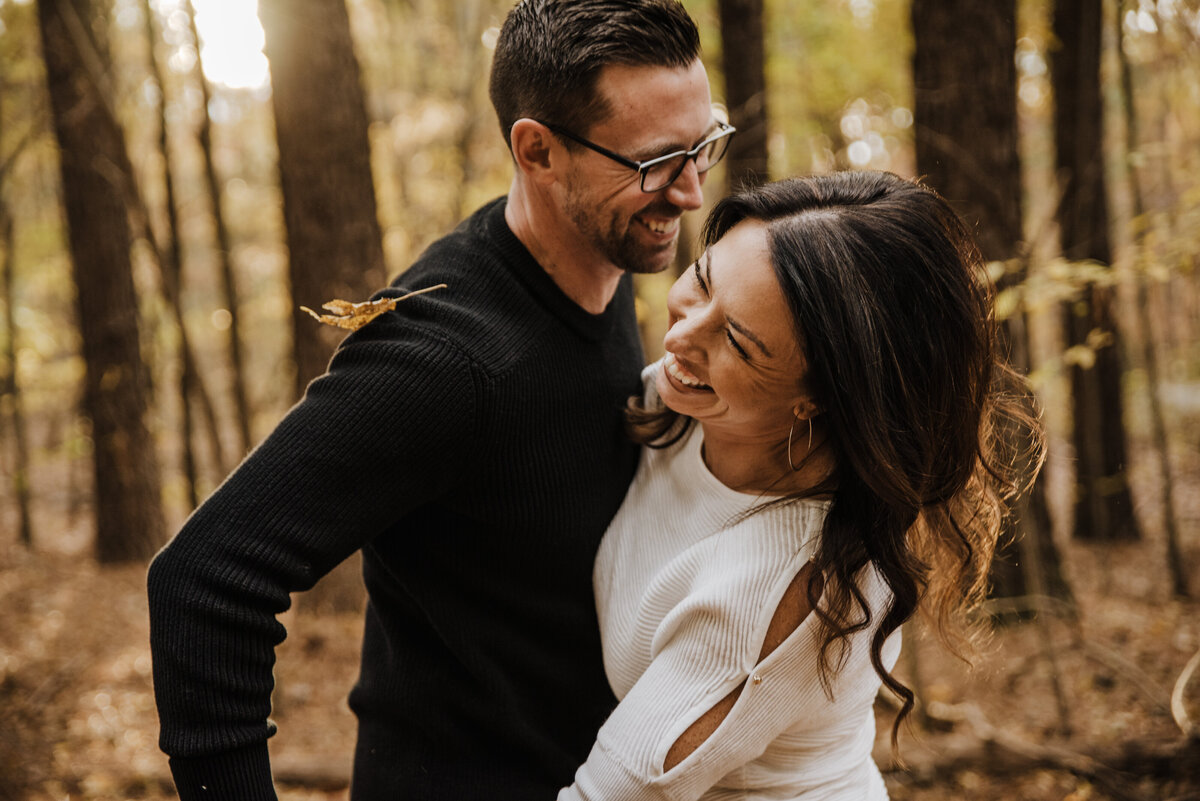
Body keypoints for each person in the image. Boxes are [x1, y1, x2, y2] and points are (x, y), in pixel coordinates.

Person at [146, 1, 735, 798]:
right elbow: (203, 579)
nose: (692, 192)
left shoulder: (608, 263)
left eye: (704, 145)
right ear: (537, 151)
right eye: (657, 163)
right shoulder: (446, 359)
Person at [558, 171, 1043, 800]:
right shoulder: (688, 402)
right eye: (701, 280)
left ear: (818, 400)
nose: (680, 336)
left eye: (736, 340)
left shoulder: (774, 589)